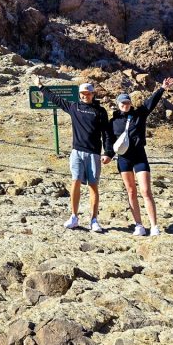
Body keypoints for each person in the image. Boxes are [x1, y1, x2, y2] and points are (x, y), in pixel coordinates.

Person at [32, 76, 114, 233]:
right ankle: (74, 217)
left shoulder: (100, 111)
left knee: (93, 186)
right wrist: (40, 86)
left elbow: (107, 134)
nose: (85, 95)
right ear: (80, 94)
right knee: (75, 181)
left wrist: (108, 152)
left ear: (93, 94)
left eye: (88, 93)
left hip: (94, 154)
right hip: (77, 152)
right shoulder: (74, 107)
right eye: (83, 93)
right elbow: (56, 99)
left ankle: (94, 220)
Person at [110, 77, 173, 236]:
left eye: (127, 103)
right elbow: (109, 140)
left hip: (139, 156)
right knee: (131, 191)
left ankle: (154, 226)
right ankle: (138, 225)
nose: (125, 105)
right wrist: (107, 154)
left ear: (130, 103)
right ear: (118, 104)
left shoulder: (140, 114)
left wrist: (162, 88)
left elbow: (150, 102)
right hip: (123, 159)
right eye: (122, 103)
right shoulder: (113, 121)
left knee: (146, 191)